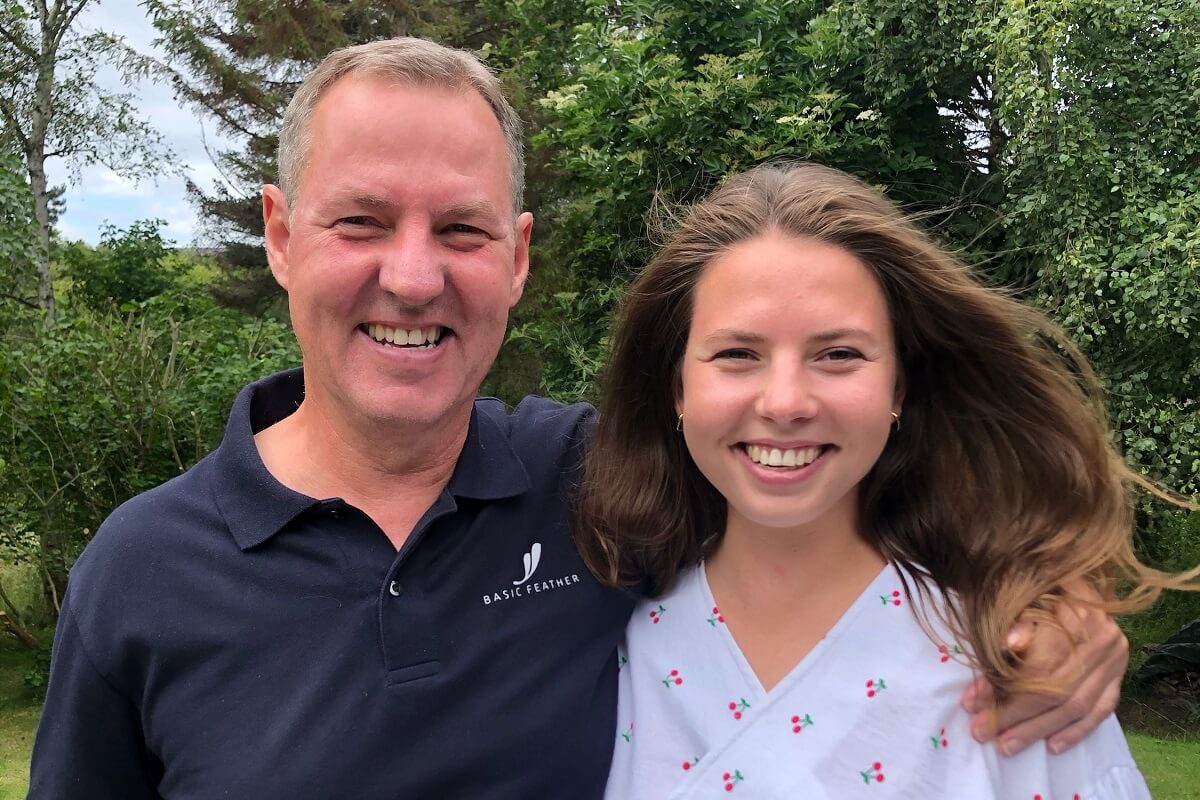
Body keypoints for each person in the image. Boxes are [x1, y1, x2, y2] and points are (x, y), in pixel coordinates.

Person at [27, 39, 1130, 799]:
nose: (412, 278)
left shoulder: (601, 486)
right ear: (279, 233)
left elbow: (819, 454)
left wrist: (1050, 597)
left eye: (460, 230)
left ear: (516, 255)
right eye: (361, 220)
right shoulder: (141, 572)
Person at [577, 162, 1198, 798]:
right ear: (677, 387)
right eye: (737, 354)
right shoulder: (598, 648)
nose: (785, 402)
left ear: (898, 386)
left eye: (839, 354)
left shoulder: (1022, 674)